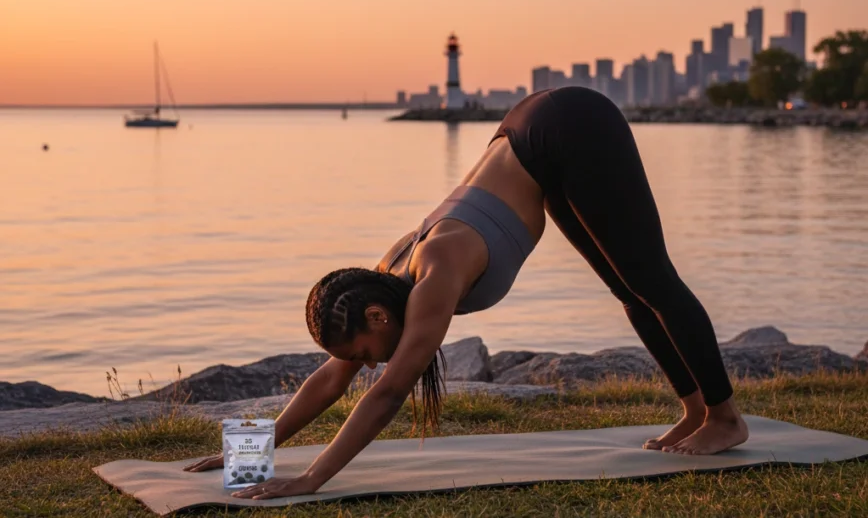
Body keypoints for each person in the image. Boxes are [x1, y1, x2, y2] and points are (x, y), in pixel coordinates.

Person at [185, 86, 748, 500]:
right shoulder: (385, 279)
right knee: (631, 289)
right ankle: (695, 411)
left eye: (362, 353)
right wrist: (246, 455)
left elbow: (384, 397)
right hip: (532, 137)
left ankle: (724, 418)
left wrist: (310, 480)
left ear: (377, 318)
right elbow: (330, 376)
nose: (364, 365)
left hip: (572, 126)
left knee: (652, 279)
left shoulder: (433, 278)